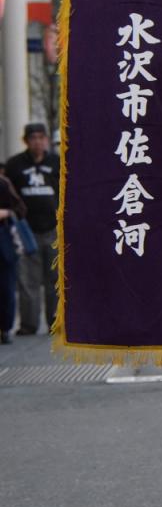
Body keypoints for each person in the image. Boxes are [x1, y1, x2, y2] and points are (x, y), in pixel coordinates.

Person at [5, 123, 60, 335]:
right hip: (26, 229)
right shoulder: (15, 165)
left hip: (54, 228)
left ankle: (56, 320)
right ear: (26, 141)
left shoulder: (56, 162)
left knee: (54, 278)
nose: (37, 141)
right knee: (28, 279)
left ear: (46, 139)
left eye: (40, 137)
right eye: (33, 138)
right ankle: (29, 323)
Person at [0, 171, 27, 344]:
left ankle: (5, 328)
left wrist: (6, 213)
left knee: (6, 287)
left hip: (3, 241)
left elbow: (20, 209)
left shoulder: (2, 183)